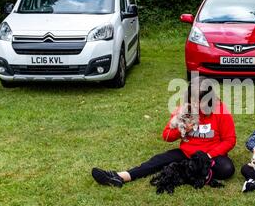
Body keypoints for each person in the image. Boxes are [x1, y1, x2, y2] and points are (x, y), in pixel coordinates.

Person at [91, 76, 236, 188]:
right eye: (193, 100)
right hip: (187, 154)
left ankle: (189, 171)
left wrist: (208, 155)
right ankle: (120, 177)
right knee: (158, 161)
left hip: (210, 156)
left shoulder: (220, 111)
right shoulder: (184, 110)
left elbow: (230, 140)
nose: (196, 105)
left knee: (227, 169)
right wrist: (182, 130)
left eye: (201, 101)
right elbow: (166, 136)